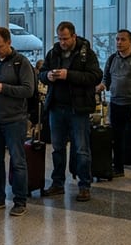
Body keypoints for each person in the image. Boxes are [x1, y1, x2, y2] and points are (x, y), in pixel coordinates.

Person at [0, 26, 39, 215]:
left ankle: (20, 201)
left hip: (15, 120)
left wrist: (2, 88)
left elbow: (28, 90)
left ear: (9, 43)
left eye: (0, 46)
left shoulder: (22, 63)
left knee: (17, 161)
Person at [39, 21, 101, 200]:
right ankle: (58, 183)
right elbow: (42, 73)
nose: (63, 42)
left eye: (66, 38)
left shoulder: (86, 54)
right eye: (60, 39)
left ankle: (84, 185)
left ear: (74, 36)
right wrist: (48, 76)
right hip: (56, 108)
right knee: (57, 148)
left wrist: (69, 75)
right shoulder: (53, 53)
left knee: (81, 149)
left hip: (78, 109)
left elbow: (95, 76)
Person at [97, 29, 131, 183]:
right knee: (116, 138)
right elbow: (106, 78)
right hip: (116, 103)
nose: (119, 43)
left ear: (130, 42)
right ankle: (118, 167)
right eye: (117, 39)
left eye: (123, 40)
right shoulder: (112, 59)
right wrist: (102, 85)